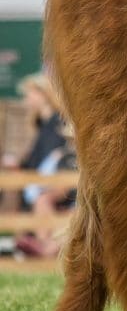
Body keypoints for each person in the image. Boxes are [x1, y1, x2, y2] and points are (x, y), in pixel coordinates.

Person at [8, 73, 77, 258]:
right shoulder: (42, 125)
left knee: (42, 199)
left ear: (42, 94)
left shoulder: (57, 124)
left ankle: (44, 246)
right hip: (51, 180)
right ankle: (42, 245)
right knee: (39, 198)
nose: (26, 100)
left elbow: (62, 159)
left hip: (66, 177)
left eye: (29, 94)